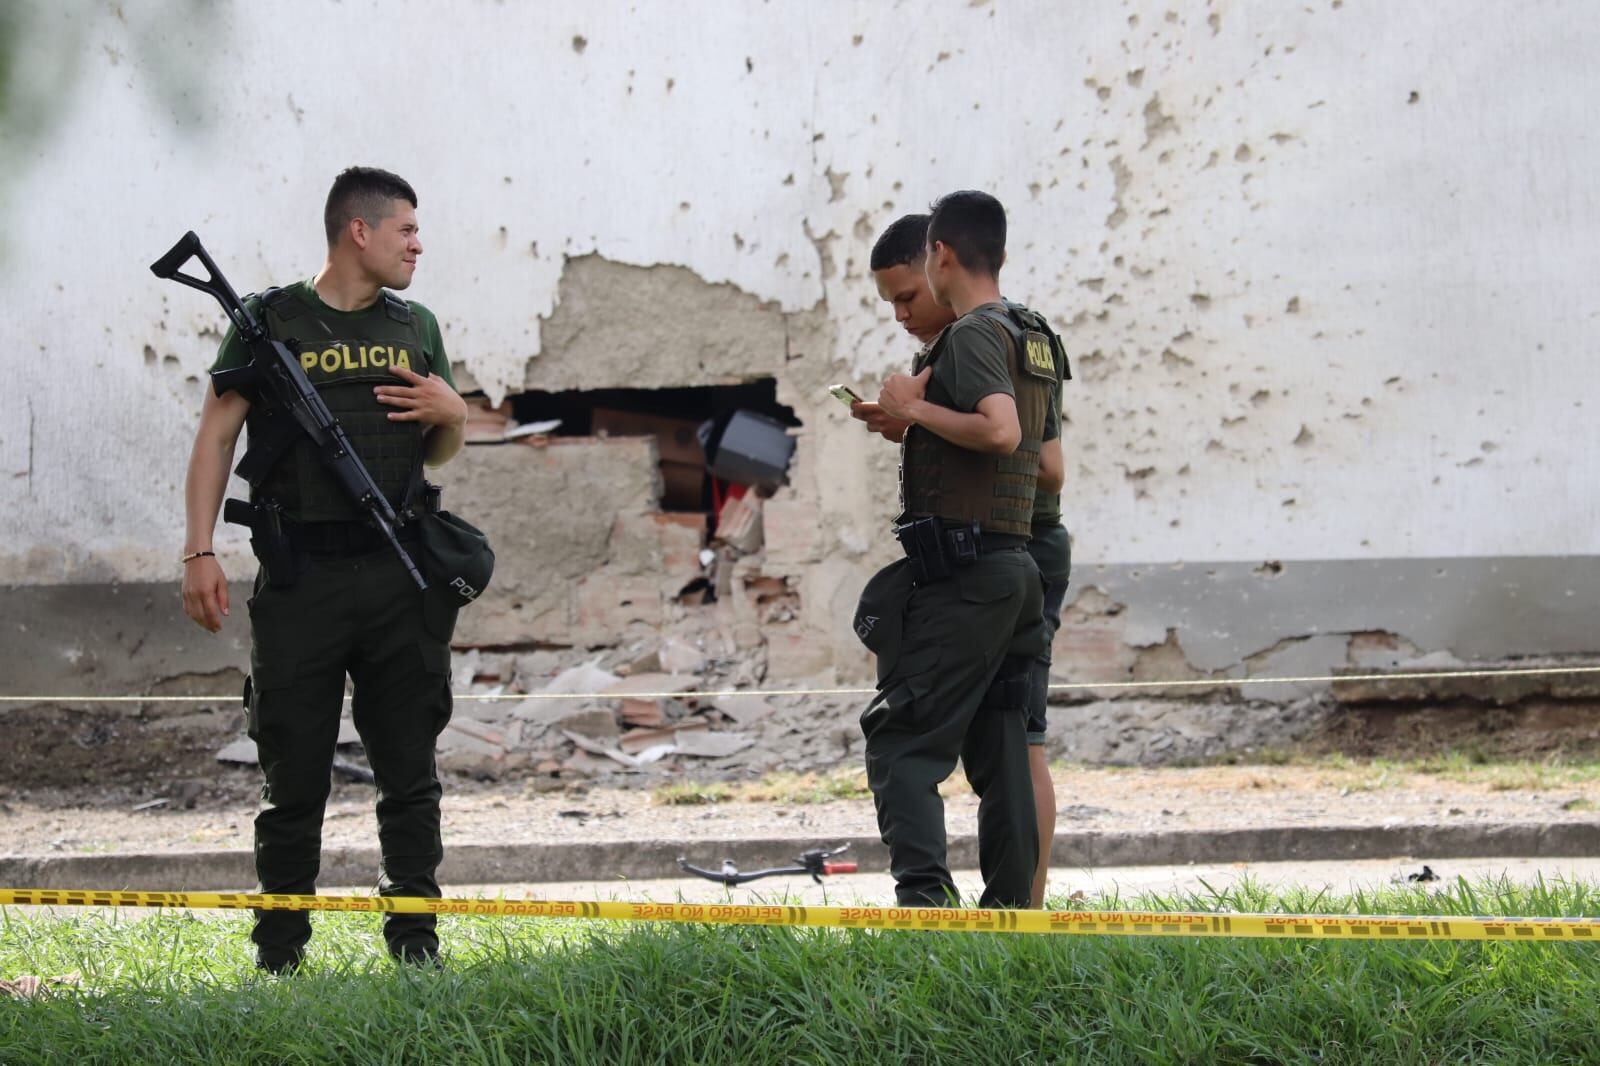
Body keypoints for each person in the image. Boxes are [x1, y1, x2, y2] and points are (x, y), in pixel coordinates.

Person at [180, 166, 468, 972]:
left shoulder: (418, 325)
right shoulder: (269, 320)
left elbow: (433, 445)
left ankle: (416, 948)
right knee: (293, 776)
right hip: (299, 577)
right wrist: (199, 549)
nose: (419, 243)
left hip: (396, 573)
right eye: (406, 229)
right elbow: (215, 438)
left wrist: (456, 416)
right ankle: (280, 956)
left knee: (410, 771)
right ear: (360, 232)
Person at [856, 212, 1071, 908]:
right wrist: (923, 416)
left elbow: (1002, 432)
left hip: (967, 570)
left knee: (901, 740)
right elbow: (1048, 467)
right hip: (1020, 563)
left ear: (939, 256)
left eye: (905, 296)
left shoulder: (973, 334)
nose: (901, 313)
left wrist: (918, 415)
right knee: (1005, 745)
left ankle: (928, 913)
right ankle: (1012, 922)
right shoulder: (1029, 334)